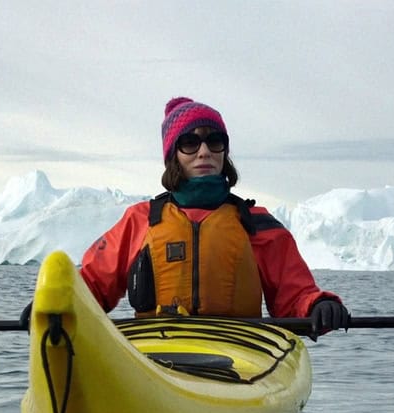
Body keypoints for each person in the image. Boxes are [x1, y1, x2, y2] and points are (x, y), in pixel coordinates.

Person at [26, 97, 349, 340]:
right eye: (190, 142)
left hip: (240, 351)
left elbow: (294, 296)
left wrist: (318, 305)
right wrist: (55, 302)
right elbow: (93, 285)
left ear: (225, 152)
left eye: (214, 141)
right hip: (157, 353)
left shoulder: (257, 224)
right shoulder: (141, 220)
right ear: (173, 156)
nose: (204, 151)